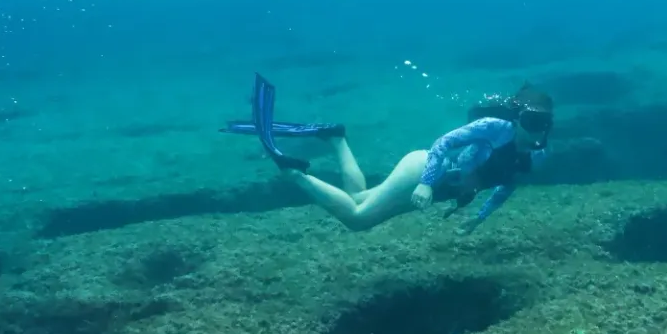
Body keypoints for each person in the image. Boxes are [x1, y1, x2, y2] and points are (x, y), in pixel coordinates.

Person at [226, 74, 552, 233]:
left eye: (543, 122)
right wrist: (425, 183)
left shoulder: (536, 156)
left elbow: (505, 187)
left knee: (357, 196)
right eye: (531, 120)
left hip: (437, 188)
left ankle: (336, 138)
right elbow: (444, 142)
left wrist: (478, 219)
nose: (536, 129)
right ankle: (293, 172)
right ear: (517, 117)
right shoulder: (496, 128)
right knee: (358, 219)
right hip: (426, 170)